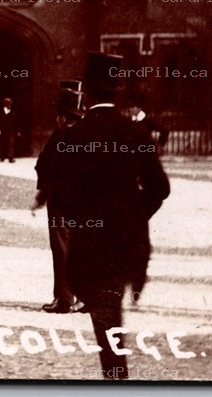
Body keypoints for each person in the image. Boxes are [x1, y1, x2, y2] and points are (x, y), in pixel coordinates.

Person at [55, 52, 170, 381]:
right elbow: (160, 188)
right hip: (129, 241)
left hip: (93, 243)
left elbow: (62, 198)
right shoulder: (135, 133)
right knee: (110, 311)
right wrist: (133, 213)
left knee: (106, 316)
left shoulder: (74, 136)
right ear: (116, 91)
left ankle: (116, 378)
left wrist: (88, 216)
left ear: (86, 93)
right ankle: (116, 376)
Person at [32, 81, 85, 314]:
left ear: (62, 116)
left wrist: (41, 195)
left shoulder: (62, 136)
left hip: (62, 201)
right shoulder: (87, 135)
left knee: (62, 248)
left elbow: (45, 165)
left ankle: (64, 299)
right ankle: (84, 298)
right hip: (85, 202)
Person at [0, 96, 18, 163]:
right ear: (5, 104)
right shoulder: (0, 112)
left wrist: (16, 130)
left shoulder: (13, 112)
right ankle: (2, 157)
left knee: (10, 144)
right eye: (8, 104)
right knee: (2, 144)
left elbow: (16, 122)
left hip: (10, 131)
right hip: (2, 130)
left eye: (10, 103)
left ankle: (10, 158)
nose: (9, 105)